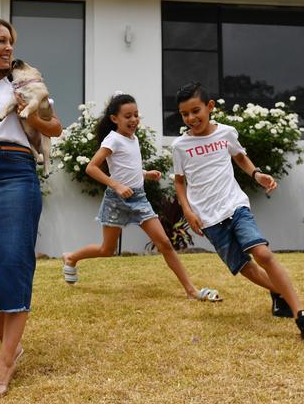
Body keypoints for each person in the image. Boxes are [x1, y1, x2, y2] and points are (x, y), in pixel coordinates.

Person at [172, 82, 304, 341]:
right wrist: (187, 211)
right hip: (209, 219)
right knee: (245, 268)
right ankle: (279, 293)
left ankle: (303, 316)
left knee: (263, 254)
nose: (191, 118)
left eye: (195, 110)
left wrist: (257, 174)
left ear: (210, 107)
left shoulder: (226, 133)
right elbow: (179, 181)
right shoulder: (180, 146)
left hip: (235, 206)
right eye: (184, 114)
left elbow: (240, 156)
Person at [0, 15, 63, 400]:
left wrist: (31, 112)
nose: (8, 49)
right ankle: (11, 343)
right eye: (0, 41)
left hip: (16, 170)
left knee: (12, 262)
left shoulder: (21, 85)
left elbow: (55, 129)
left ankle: (4, 362)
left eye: (10, 42)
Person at [62, 93, 222, 302]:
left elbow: (126, 167)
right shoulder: (113, 139)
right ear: (114, 119)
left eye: (136, 115)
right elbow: (91, 168)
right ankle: (71, 257)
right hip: (116, 200)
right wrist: (116, 185)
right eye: (127, 116)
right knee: (107, 249)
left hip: (138, 198)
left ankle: (191, 290)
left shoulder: (133, 138)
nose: (133, 120)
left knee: (164, 242)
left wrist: (145, 174)